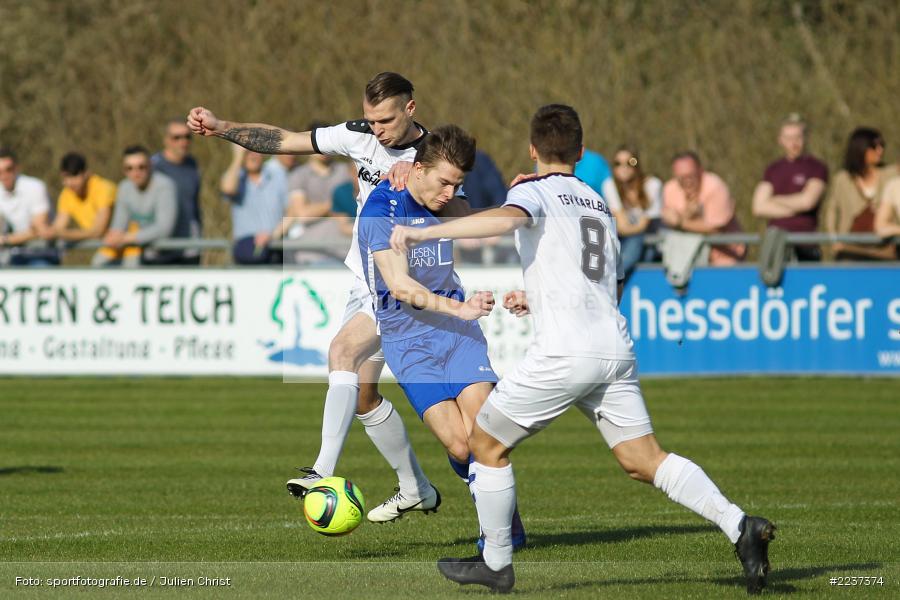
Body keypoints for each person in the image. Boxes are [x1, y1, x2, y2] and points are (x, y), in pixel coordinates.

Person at [390, 104, 775, 595]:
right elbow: (600, 280)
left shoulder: (531, 190)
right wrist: (539, 297)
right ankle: (740, 525)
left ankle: (496, 561)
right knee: (644, 459)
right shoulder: (597, 201)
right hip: (613, 346)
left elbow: (502, 222)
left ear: (532, 149)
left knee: (484, 444)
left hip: (566, 352)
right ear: (581, 151)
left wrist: (426, 230)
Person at [188, 72, 456, 520]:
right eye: (371, 119)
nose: (377, 129)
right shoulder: (356, 135)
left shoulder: (434, 155)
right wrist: (222, 127)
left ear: (411, 109)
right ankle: (416, 488)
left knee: (342, 352)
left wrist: (420, 187)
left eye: (386, 120)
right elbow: (286, 140)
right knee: (365, 396)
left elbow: (460, 209)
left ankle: (321, 470)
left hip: (403, 279)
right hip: (364, 277)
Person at [357, 125, 525, 545]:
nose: (450, 193)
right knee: (461, 447)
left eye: (458, 184)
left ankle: (501, 530)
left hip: (457, 333)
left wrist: (528, 195)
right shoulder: (382, 211)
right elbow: (400, 287)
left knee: (486, 433)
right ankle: (494, 514)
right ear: (418, 169)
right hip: (408, 341)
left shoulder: (444, 202)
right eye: (444, 182)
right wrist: (461, 307)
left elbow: (491, 225)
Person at [751, 114, 828, 261]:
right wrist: (795, 207)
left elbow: (807, 202)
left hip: (805, 244)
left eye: (797, 137)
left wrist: (774, 199)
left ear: (805, 137)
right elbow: (758, 207)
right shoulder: (772, 169)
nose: (794, 143)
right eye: (789, 138)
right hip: (775, 244)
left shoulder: (816, 167)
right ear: (780, 140)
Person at [279, 123, 353, 265]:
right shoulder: (298, 175)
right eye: (319, 141)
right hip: (312, 252)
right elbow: (303, 215)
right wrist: (336, 204)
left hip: (347, 249)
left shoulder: (346, 171)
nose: (323, 147)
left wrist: (319, 209)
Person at [93, 146, 177, 267]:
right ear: (124, 170)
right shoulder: (124, 188)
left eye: (141, 167)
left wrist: (128, 238)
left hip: (167, 257)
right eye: (129, 168)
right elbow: (119, 225)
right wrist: (114, 236)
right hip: (138, 251)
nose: (136, 173)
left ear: (150, 166)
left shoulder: (165, 186)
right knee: (98, 262)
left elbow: (164, 229)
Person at [824, 127, 898, 261]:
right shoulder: (842, 179)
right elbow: (831, 211)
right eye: (874, 146)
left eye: (882, 146)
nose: (880, 150)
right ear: (861, 148)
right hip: (849, 249)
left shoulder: (890, 175)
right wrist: (833, 238)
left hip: (884, 250)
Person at [662, 151, 746, 265]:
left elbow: (715, 228)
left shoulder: (715, 187)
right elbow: (669, 222)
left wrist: (681, 222)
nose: (687, 182)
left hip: (725, 254)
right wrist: (687, 216)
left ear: (700, 171)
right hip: (686, 257)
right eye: (682, 178)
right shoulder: (669, 189)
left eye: (691, 176)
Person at [220, 146, 288, 265]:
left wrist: (273, 235)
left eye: (255, 151)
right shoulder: (237, 177)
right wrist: (238, 157)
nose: (252, 156)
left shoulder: (278, 175)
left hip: (276, 246)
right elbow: (228, 188)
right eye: (247, 152)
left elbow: (292, 210)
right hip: (245, 248)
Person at [152, 119, 203, 264]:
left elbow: (195, 203)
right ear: (166, 140)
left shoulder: (192, 164)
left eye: (187, 137)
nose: (183, 142)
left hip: (189, 244)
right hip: (161, 244)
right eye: (177, 137)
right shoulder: (153, 166)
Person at [610, 146, 663, 282]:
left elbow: (643, 226)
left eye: (630, 162)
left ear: (638, 165)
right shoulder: (610, 185)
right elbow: (621, 227)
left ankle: (612, 277)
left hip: (650, 240)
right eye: (618, 163)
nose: (624, 167)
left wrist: (629, 226)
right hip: (624, 240)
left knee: (637, 239)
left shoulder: (652, 185)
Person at [48, 153, 119, 254]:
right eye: (66, 178)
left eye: (74, 176)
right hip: (109, 249)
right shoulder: (66, 194)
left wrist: (63, 234)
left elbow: (98, 231)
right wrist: (45, 231)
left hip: (131, 244)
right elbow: (58, 227)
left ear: (86, 173)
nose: (70, 183)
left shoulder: (103, 188)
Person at [0, 147, 58, 266]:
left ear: (17, 168)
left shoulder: (35, 187)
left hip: (42, 252)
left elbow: (38, 230)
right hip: (14, 254)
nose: (4, 175)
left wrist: (5, 240)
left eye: (8, 170)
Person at [457, 149, 509, 264]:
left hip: (491, 234)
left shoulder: (480, 161)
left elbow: (499, 194)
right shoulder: (434, 165)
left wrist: (497, 226)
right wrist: (458, 231)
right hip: (464, 241)